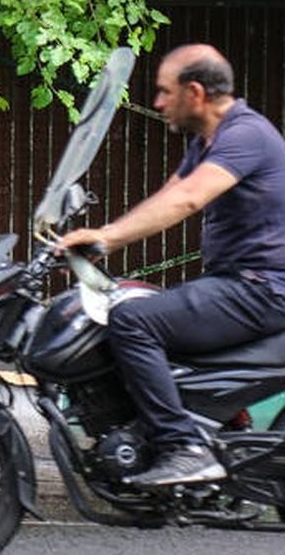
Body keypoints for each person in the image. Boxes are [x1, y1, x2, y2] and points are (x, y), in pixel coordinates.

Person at [59, 44, 285, 486]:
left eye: (164, 92)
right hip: (240, 285)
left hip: (262, 289)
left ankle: (184, 447)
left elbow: (187, 199)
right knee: (133, 302)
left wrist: (105, 237)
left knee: (132, 321)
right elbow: (169, 193)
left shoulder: (246, 135)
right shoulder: (208, 142)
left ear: (195, 92)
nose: (158, 102)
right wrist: (92, 245)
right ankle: (206, 423)